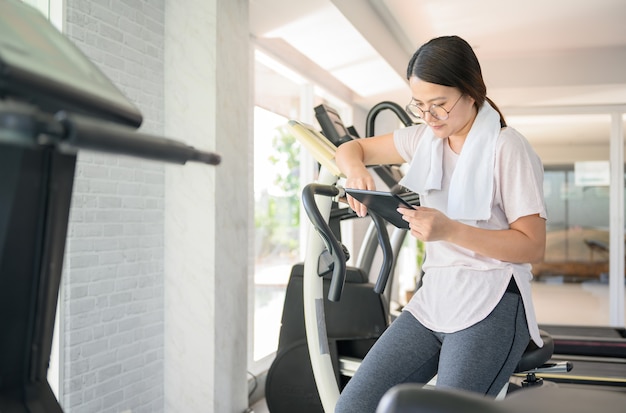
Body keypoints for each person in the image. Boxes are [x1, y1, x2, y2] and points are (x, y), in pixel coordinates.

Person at [333, 35, 547, 413]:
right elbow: (353, 148)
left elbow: (532, 246)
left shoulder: (506, 146)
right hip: (435, 297)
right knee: (353, 406)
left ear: (471, 92)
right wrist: (355, 172)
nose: (429, 117)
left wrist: (451, 231)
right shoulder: (422, 140)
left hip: (493, 299)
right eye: (420, 106)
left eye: (439, 105)